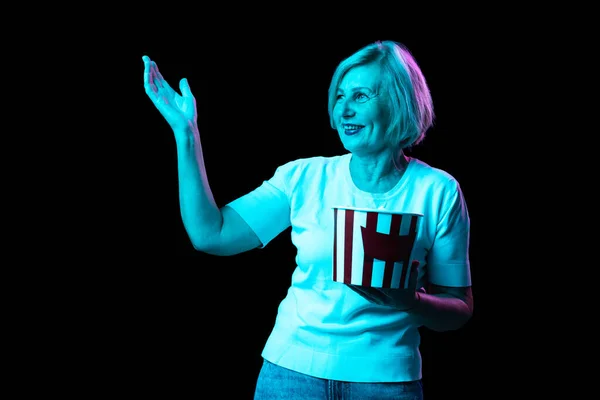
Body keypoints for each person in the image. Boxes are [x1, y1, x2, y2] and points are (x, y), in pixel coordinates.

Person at [142, 40, 473, 400]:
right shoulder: (303, 177)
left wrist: (410, 301)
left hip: (387, 383)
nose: (343, 109)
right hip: (290, 376)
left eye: (361, 96)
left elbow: (458, 307)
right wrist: (186, 133)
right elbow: (212, 234)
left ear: (399, 102)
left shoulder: (439, 191)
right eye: (340, 96)